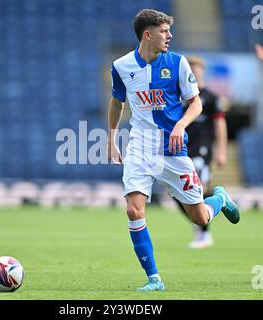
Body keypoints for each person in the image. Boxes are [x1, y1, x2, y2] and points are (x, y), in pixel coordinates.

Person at [107, 9, 240, 292]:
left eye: (169, 30)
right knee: (133, 210)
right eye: (164, 31)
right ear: (148, 34)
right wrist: (112, 137)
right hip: (140, 148)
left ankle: (220, 199)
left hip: (173, 149)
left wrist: (180, 125)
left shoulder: (178, 64)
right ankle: (154, 278)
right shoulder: (121, 66)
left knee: (200, 217)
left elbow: (196, 103)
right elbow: (117, 102)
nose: (170, 36)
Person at [175, 56, 228, 249]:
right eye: (191, 69)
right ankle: (201, 220)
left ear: (202, 71)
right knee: (177, 193)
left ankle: (204, 234)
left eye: (197, 68)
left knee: (197, 188)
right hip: (181, 150)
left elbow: (220, 124)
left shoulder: (211, 97)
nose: (194, 72)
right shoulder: (180, 97)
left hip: (202, 150)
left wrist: (221, 151)